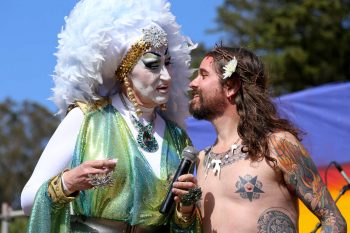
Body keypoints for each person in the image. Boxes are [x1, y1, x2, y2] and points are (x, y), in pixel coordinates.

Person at [20, 0, 202, 232]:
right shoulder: (87, 119)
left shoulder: (178, 139)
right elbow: (27, 200)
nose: (165, 76)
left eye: (168, 63)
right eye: (153, 65)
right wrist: (67, 183)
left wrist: (185, 210)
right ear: (125, 70)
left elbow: (178, 225)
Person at [188, 46, 347, 232]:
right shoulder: (201, 159)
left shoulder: (277, 145)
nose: (193, 83)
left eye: (203, 75)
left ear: (230, 87)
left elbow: (332, 219)